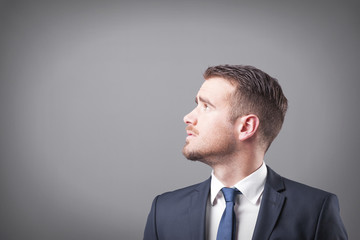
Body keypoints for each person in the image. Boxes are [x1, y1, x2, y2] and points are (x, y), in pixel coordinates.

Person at [143, 65, 347, 240]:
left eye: (206, 106)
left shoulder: (315, 210)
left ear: (246, 127)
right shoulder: (164, 211)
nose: (188, 117)